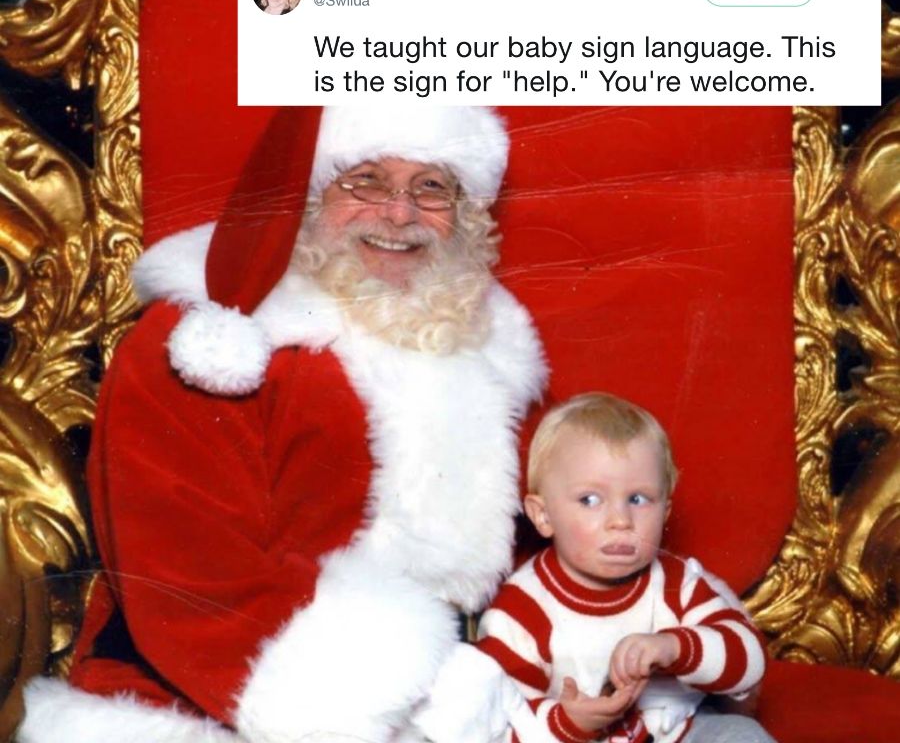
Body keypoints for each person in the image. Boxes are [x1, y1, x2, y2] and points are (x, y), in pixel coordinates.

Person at [19, 106, 547, 743]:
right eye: (368, 181)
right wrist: (411, 682)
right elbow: (188, 575)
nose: (401, 214)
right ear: (308, 190)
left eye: (432, 187)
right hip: (208, 703)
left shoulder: (490, 350)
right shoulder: (205, 340)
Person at [477, 392, 776, 743]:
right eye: (590, 500)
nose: (620, 520)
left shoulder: (676, 584)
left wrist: (675, 647)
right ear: (543, 515)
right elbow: (495, 717)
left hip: (676, 734)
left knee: (742, 734)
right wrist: (568, 722)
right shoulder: (521, 610)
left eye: (638, 499)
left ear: (665, 512)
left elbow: (751, 662)